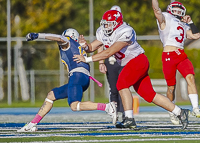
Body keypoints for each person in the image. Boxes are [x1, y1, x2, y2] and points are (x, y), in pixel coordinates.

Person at [74, 10, 190, 129]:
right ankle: (180, 112)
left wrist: (87, 59)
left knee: (121, 84)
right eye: (105, 23)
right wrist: (85, 46)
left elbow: (108, 52)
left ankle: (129, 118)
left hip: (138, 60)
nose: (106, 26)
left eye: (109, 23)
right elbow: (92, 47)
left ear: (117, 23)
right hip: (131, 63)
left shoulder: (126, 31)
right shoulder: (102, 32)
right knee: (149, 95)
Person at [17, 28, 117, 132]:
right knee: (51, 95)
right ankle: (32, 124)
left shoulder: (68, 41)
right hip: (82, 77)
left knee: (74, 105)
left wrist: (38, 35)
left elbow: (59, 38)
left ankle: (107, 107)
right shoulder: (78, 46)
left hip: (77, 76)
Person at [152, 0, 200, 125]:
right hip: (169, 55)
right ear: (170, 9)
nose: (178, 11)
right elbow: (156, 10)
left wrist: (190, 22)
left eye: (180, 10)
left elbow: (196, 35)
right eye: (175, 9)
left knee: (190, 77)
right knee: (171, 87)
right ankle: (171, 111)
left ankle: (196, 108)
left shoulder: (183, 24)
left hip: (181, 54)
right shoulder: (166, 18)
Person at [97, 5, 124, 121]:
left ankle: (124, 112)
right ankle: (114, 111)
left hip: (123, 60)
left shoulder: (125, 29)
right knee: (113, 88)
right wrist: (101, 62)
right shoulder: (103, 29)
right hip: (110, 60)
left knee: (123, 87)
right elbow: (100, 44)